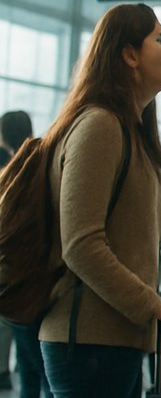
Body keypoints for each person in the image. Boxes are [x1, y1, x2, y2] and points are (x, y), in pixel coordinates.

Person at [37, 4, 161, 396]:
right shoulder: (100, 126)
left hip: (115, 341)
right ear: (128, 55)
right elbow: (81, 245)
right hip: (88, 343)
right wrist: (154, 306)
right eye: (159, 39)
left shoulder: (133, 134)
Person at [1, 110, 47, 397]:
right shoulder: (41, 161)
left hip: (23, 280)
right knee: (33, 366)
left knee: (35, 367)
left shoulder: (17, 170)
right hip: (34, 280)